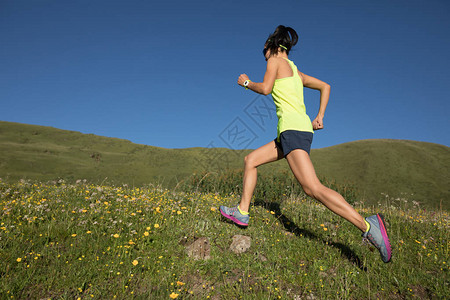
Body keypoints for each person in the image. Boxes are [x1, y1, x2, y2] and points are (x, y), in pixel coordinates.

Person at [219, 25, 391, 263]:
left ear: (273, 47)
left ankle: (368, 227)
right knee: (251, 160)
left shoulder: (276, 62)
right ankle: (242, 212)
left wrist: (247, 83)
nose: (265, 56)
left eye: (265, 51)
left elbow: (266, 89)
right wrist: (320, 116)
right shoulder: (296, 72)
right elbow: (325, 86)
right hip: (294, 132)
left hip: (293, 131)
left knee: (313, 188)